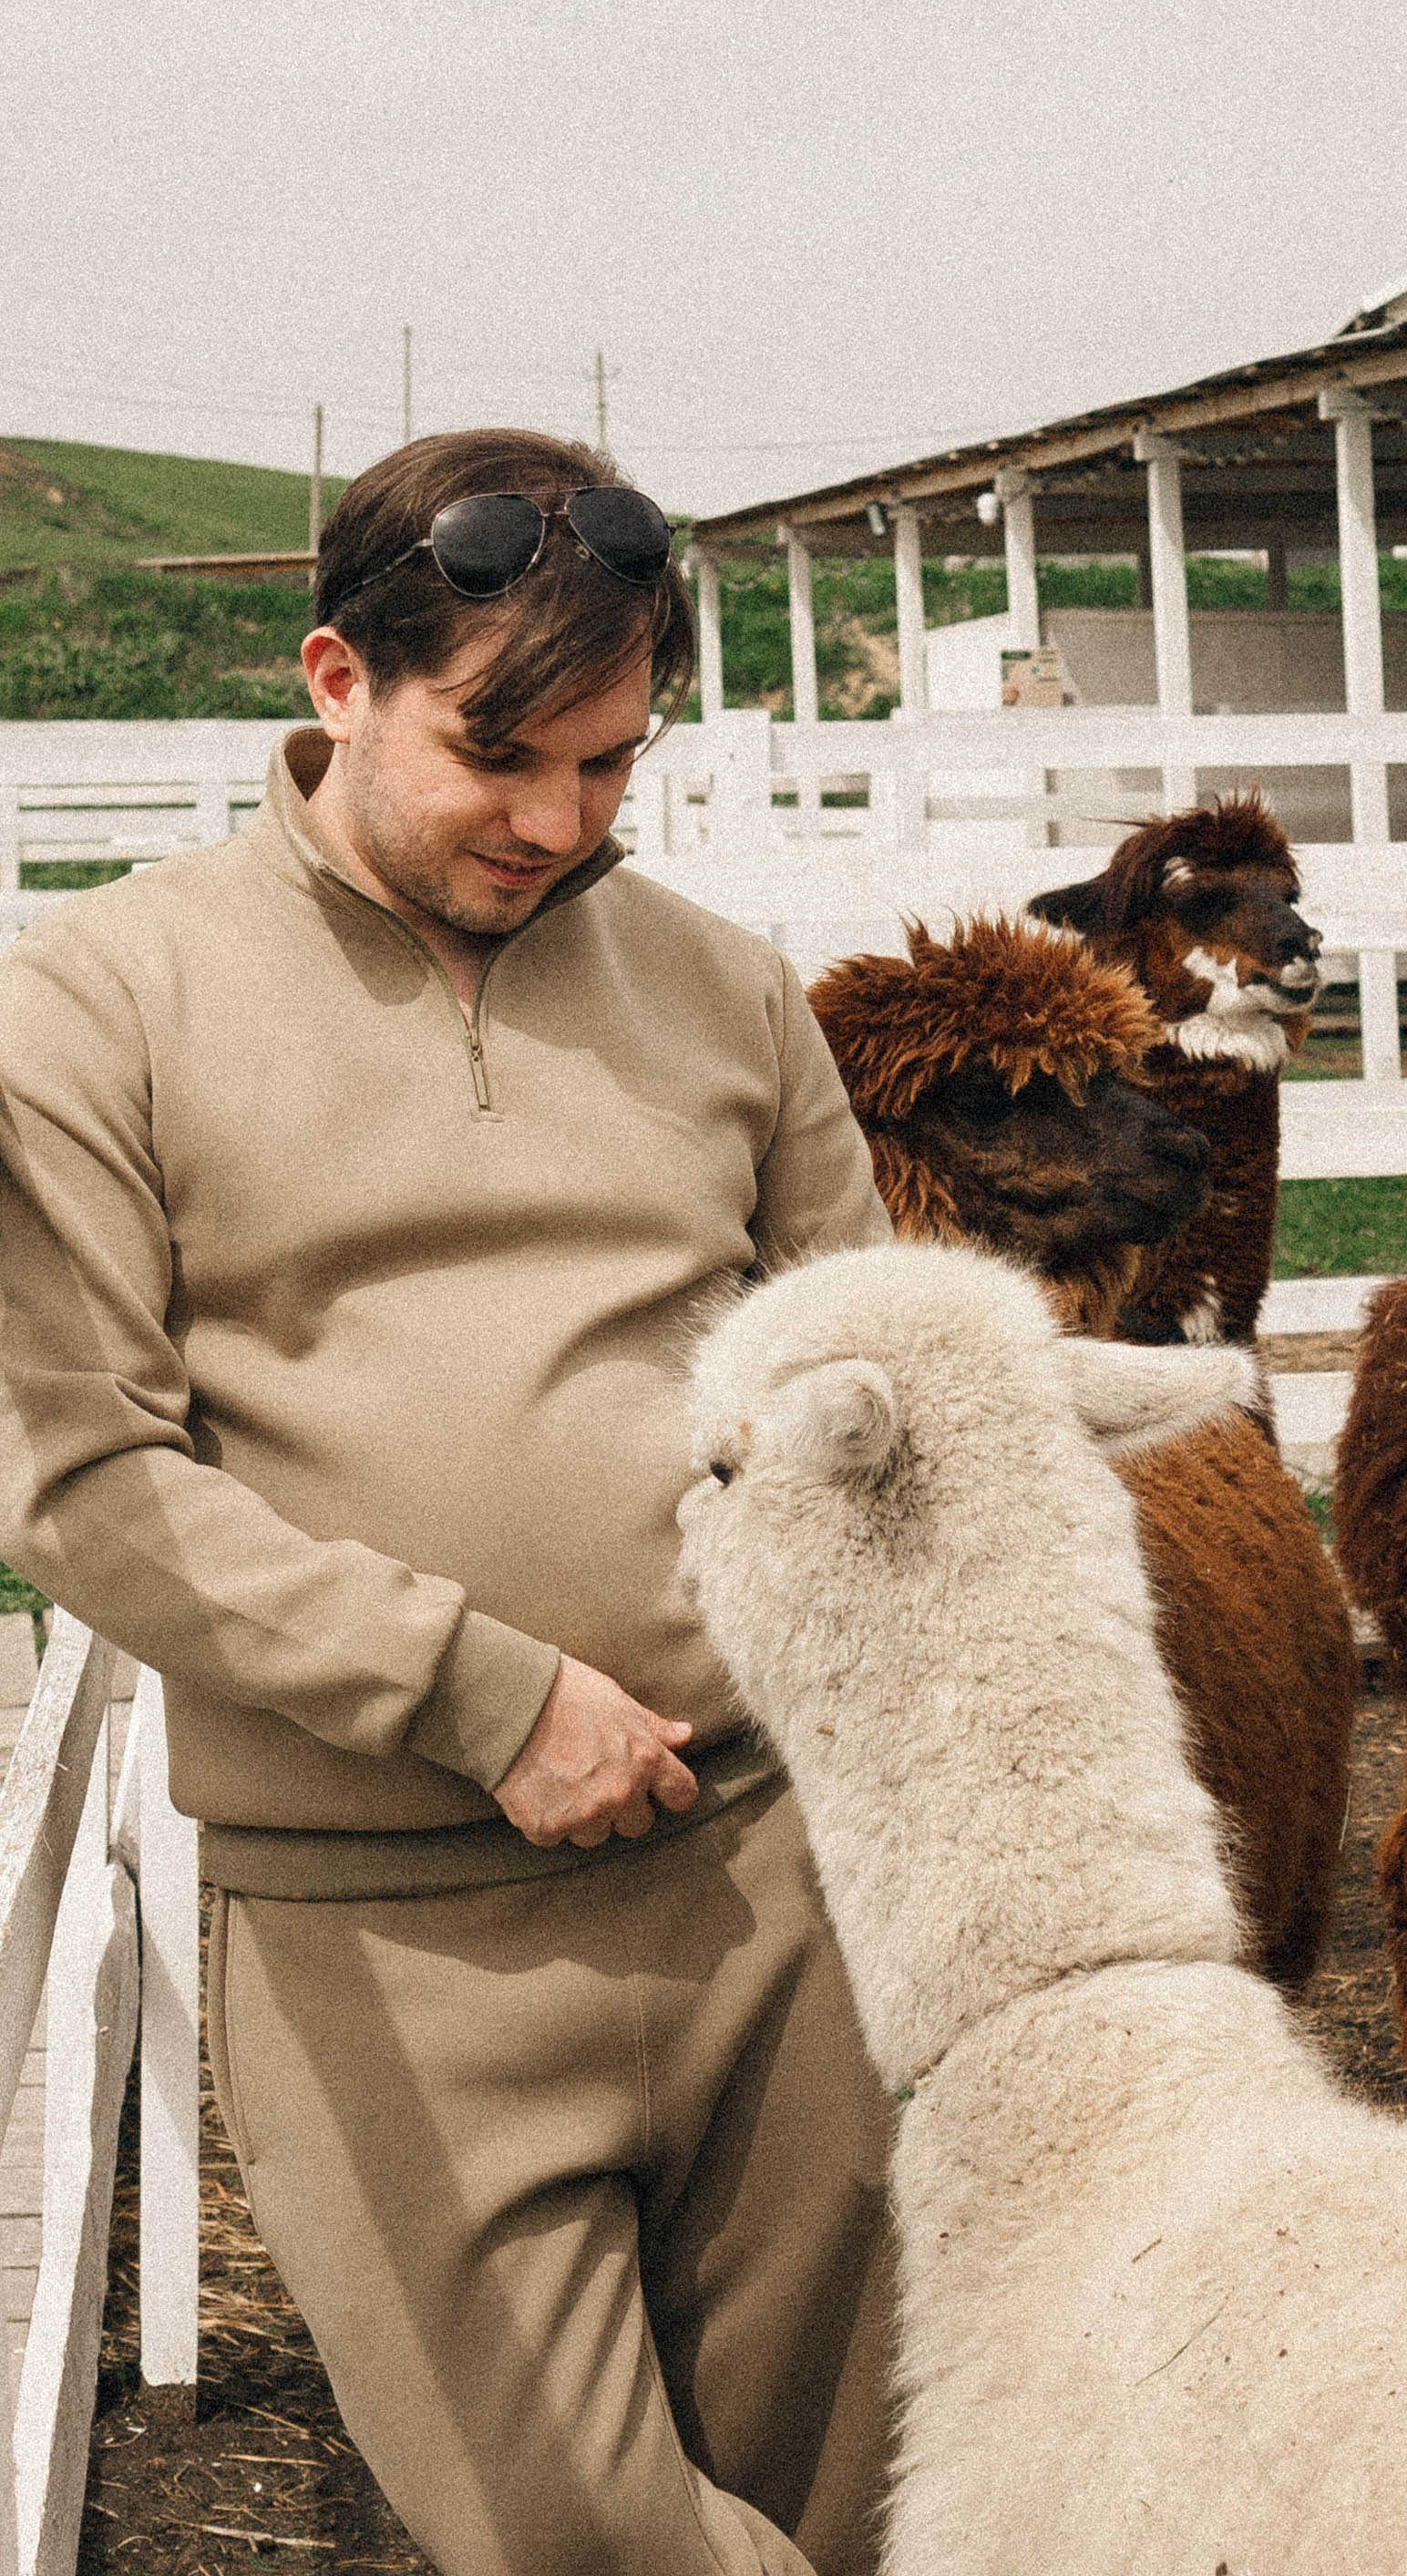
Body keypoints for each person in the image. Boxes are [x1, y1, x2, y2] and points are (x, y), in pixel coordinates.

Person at [0, 428, 896, 2576]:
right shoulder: (96, 997)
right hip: (381, 1913)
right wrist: (486, 1694)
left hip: (772, 1878)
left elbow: (868, 1383)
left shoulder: (724, 988)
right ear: (335, 678)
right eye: (501, 753)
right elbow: (80, 1476)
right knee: (581, 2537)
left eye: (611, 765)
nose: (555, 822)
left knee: (853, 2508)